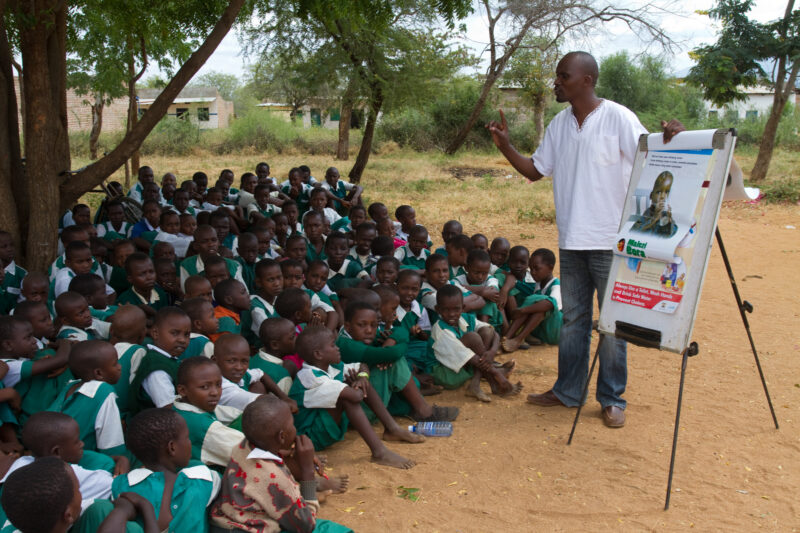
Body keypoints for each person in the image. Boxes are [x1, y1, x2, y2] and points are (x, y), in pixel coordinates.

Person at [486, 50, 684, 428]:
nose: (556, 82)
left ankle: (612, 398)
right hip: (572, 239)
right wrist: (505, 145)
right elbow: (536, 170)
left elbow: (651, 155)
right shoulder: (559, 125)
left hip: (611, 240)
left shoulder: (618, 118)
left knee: (612, 323)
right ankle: (568, 391)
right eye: (557, 76)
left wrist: (670, 138)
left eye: (564, 76)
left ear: (587, 80)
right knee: (574, 320)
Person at [210, 395, 353, 533]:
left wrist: (285, 451)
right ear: (282, 436)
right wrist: (307, 471)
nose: (295, 428)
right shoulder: (276, 478)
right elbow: (306, 525)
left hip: (223, 524)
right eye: (292, 424)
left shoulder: (242, 446)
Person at [288, 326, 421, 468]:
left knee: (360, 383)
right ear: (318, 354)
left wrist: (362, 377)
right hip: (310, 438)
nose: (338, 348)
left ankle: (392, 428)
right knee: (349, 397)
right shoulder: (312, 378)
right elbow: (356, 397)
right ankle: (379, 452)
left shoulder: (330, 366)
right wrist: (357, 384)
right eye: (333, 345)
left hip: (324, 426)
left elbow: (362, 366)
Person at [112, 408, 221, 533]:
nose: (190, 443)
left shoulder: (121, 486)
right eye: (187, 438)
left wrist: (120, 459)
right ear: (172, 447)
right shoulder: (202, 479)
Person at [501, 248, 562, 352]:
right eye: (531, 268)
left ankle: (518, 339)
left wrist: (522, 310)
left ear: (550, 268)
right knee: (536, 306)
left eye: (537, 269)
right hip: (541, 333)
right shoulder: (538, 285)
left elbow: (550, 304)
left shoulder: (556, 285)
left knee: (539, 302)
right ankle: (506, 338)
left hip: (556, 331)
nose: (533, 272)